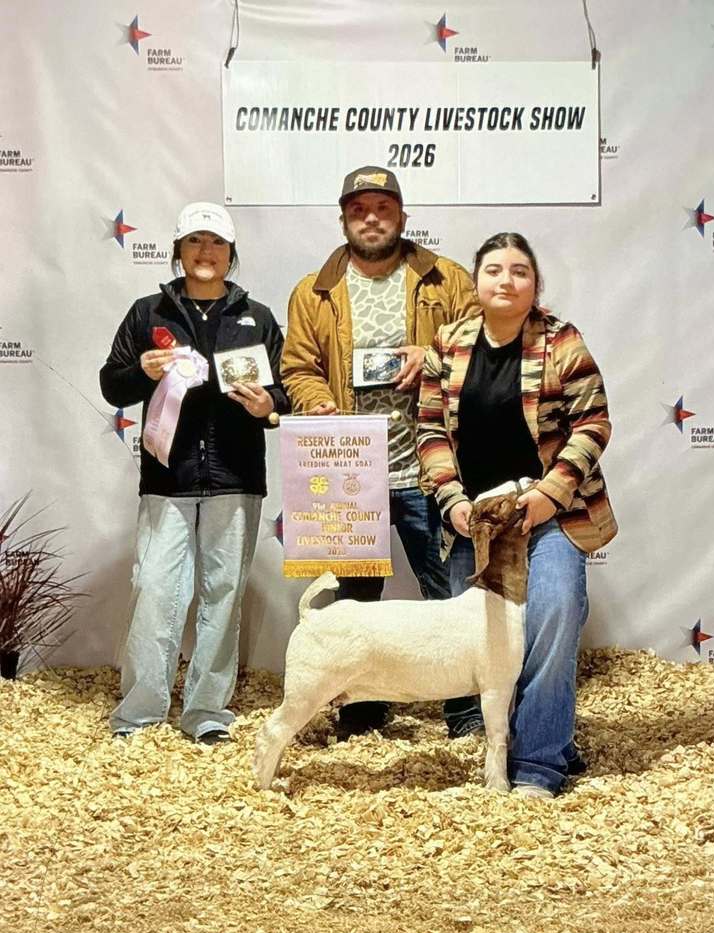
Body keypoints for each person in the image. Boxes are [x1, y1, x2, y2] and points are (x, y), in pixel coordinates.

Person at [281, 165, 479, 738]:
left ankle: (465, 714)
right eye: (359, 209)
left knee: (448, 596)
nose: (371, 218)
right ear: (344, 217)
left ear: (402, 215)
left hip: (429, 468)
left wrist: (435, 356)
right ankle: (360, 715)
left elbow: (481, 350)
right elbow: (298, 366)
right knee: (356, 604)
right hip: (351, 473)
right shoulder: (312, 291)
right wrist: (317, 403)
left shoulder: (449, 280)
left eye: (383, 208)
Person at [417, 232, 617, 796]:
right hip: (475, 521)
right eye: (495, 271)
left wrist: (549, 494)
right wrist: (452, 498)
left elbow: (594, 423)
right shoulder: (447, 344)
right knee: (485, 641)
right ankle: (500, 756)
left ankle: (539, 766)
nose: (506, 281)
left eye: (520, 272)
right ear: (476, 282)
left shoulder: (563, 342)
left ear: (536, 285)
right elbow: (430, 428)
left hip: (552, 513)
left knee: (552, 617)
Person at [100, 202, 289, 744]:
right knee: (156, 590)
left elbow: (284, 393)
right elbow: (112, 385)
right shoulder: (147, 312)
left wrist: (266, 407)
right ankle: (140, 712)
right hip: (168, 478)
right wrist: (141, 369)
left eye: (217, 244)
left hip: (237, 476)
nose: (206, 253)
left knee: (223, 595)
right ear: (178, 251)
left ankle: (207, 712)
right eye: (195, 242)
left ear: (231, 254)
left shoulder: (257, 316)